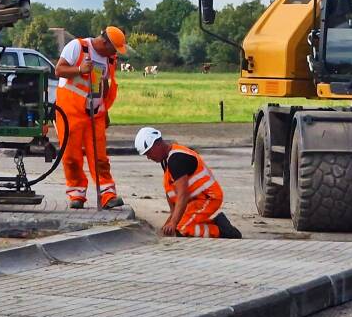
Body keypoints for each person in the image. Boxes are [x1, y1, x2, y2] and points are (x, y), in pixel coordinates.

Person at [55, 26, 128, 210]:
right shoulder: (77, 47)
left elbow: (103, 83)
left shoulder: (109, 59)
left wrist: (106, 111)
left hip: (95, 114)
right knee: (71, 156)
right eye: (113, 49)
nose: (114, 54)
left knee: (100, 157)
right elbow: (59, 70)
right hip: (70, 112)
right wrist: (80, 69)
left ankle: (107, 195)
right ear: (105, 42)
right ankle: (76, 194)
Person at [134, 127, 242, 239]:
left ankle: (221, 231)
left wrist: (174, 222)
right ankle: (217, 222)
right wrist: (171, 219)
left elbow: (183, 194)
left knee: (182, 228)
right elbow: (171, 191)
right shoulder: (166, 160)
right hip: (196, 199)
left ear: (157, 144)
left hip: (208, 198)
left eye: (148, 153)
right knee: (176, 226)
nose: (148, 157)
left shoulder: (176, 160)